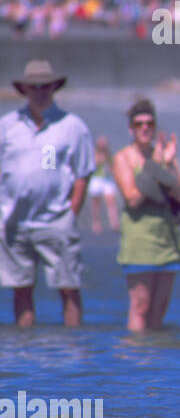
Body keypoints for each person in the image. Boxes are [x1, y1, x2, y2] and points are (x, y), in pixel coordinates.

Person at [0, 59, 94, 326]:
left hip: (56, 220)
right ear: (24, 90)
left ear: (54, 88)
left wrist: (70, 214)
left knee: (68, 287)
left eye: (45, 86)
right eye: (34, 87)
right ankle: (26, 351)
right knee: (21, 289)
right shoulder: (7, 125)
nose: (40, 91)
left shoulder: (71, 126)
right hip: (14, 221)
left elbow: (82, 174)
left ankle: (73, 351)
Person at [112, 99, 180, 331]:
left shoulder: (163, 155)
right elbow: (133, 198)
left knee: (160, 306)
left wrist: (169, 163)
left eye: (149, 124)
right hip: (139, 239)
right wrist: (156, 165)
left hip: (166, 238)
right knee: (141, 305)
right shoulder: (123, 158)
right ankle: (137, 358)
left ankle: (155, 359)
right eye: (139, 124)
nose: (145, 128)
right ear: (131, 128)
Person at [88, 135, 120, 234]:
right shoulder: (94, 154)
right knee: (96, 202)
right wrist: (98, 160)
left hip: (106, 179)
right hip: (96, 179)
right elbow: (91, 167)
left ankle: (114, 222)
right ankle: (96, 222)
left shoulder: (108, 155)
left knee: (111, 200)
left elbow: (112, 167)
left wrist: (107, 161)